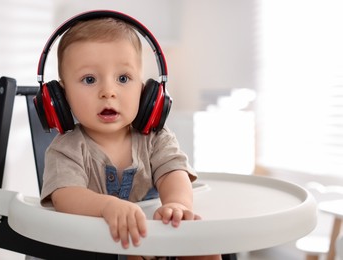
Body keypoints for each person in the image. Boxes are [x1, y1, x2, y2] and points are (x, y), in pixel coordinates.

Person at [40, 15, 221, 260]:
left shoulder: (156, 138)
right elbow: (65, 196)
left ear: (145, 91)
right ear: (62, 96)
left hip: (152, 238)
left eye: (123, 78)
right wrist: (107, 206)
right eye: (89, 79)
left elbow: (173, 172)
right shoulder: (66, 149)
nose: (108, 92)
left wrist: (177, 205)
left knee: (201, 243)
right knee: (133, 249)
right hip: (96, 248)